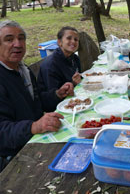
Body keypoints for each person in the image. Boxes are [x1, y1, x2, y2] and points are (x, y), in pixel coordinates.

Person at [0, 20, 73, 171]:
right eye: (9, 39)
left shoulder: (23, 69)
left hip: (37, 139)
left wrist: (57, 95)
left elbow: (37, 103)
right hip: (15, 157)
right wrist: (34, 126)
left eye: (21, 38)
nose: (18, 44)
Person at [37, 27, 81, 111]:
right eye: (69, 38)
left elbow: (77, 79)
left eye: (76, 39)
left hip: (73, 99)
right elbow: (53, 96)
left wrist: (76, 82)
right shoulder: (50, 65)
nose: (73, 42)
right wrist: (73, 83)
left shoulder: (74, 58)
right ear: (59, 42)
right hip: (58, 107)